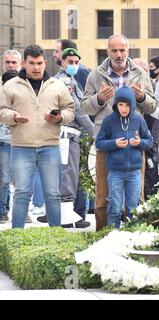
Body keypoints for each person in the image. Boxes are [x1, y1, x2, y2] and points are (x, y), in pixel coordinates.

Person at [80, 34, 157, 230]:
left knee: (135, 195)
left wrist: (141, 98)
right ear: (107, 51)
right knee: (103, 193)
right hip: (106, 144)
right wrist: (98, 99)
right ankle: (104, 233)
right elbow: (85, 108)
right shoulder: (96, 75)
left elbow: (152, 106)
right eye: (114, 50)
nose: (118, 54)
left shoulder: (140, 73)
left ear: (128, 51)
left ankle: (134, 233)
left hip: (134, 145)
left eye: (122, 50)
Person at [0, 44, 75, 228]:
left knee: (52, 194)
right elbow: (2, 111)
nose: (36, 67)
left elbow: (70, 110)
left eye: (39, 63)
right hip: (21, 147)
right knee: (21, 193)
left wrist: (59, 118)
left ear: (45, 62)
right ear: (24, 63)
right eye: (32, 63)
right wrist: (14, 117)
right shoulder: (10, 85)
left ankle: (54, 236)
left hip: (49, 146)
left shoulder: (57, 85)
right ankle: (17, 238)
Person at [96, 86, 153, 228]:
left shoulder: (138, 119)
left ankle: (131, 235)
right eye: (121, 105)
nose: (124, 108)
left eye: (127, 105)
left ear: (132, 105)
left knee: (133, 207)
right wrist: (114, 143)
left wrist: (140, 143)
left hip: (134, 172)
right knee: (114, 205)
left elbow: (149, 141)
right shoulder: (109, 120)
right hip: (115, 172)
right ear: (116, 105)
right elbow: (99, 142)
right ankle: (113, 235)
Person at [53, 47, 94, 228]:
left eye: (77, 62)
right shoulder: (65, 81)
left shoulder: (69, 79)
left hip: (70, 135)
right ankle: (66, 219)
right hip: (66, 134)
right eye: (70, 62)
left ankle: (68, 216)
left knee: (70, 174)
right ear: (62, 62)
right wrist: (95, 133)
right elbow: (78, 110)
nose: (74, 65)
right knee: (67, 174)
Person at [0, 50, 21, 223]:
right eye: (8, 62)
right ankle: (2, 210)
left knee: (22, 181)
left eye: (14, 62)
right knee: (4, 179)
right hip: (3, 141)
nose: (11, 65)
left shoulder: (25, 86)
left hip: (22, 140)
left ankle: (20, 211)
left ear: (20, 64)